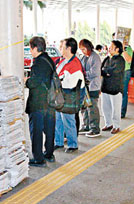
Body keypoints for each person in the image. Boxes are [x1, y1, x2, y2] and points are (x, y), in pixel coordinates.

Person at [25, 36, 56, 167]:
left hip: (38, 102)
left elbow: (35, 82)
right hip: (50, 101)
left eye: (31, 48)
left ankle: (38, 158)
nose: (30, 51)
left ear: (36, 48)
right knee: (49, 129)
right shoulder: (49, 60)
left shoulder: (38, 63)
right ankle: (49, 153)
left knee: (36, 131)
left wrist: (26, 81)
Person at [54, 37, 85, 153]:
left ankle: (73, 144)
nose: (60, 49)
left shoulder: (75, 64)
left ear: (69, 48)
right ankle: (59, 141)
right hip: (61, 96)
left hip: (69, 96)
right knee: (58, 119)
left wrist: (59, 81)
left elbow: (70, 83)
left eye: (62, 47)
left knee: (68, 120)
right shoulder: (64, 61)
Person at [79, 39, 102, 138]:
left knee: (92, 107)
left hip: (93, 87)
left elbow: (95, 73)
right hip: (85, 87)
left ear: (88, 47)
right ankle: (86, 125)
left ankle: (95, 128)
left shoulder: (95, 57)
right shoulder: (84, 57)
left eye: (83, 49)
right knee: (84, 107)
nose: (82, 51)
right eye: (81, 49)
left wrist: (83, 74)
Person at [101, 40, 125, 134]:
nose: (109, 48)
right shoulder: (107, 59)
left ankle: (116, 126)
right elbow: (102, 70)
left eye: (111, 47)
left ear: (117, 49)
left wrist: (106, 71)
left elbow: (114, 71)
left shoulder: (120, 60)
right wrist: (106, 71)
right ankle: (108, 124)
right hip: (105, 87)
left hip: (115, 88)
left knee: (116, 109)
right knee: (105, 107)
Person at [120, 40, 133, 118]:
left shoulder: (128, 49)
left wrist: (123, 49)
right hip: (117, 72)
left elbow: (129, 60)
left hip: (125, 72)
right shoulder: (115, 48)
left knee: (123, 92)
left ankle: (122, 112)